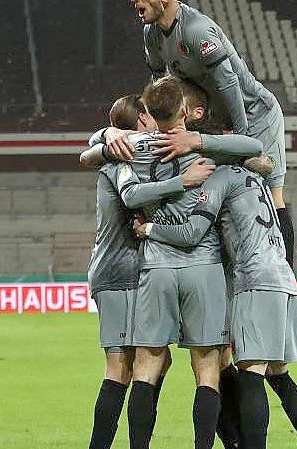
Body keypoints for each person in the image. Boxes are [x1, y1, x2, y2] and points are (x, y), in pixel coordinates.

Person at [133, 154, 297, 449]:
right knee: (279, 375)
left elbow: (192, 232)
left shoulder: (220, 177)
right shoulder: (255, 177)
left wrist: (150, 229)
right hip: (282, 274)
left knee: (251, 376)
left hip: (254, 278)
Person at [120, 0, 295, 268]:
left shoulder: (197, 29)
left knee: (272, 196)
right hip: (212, 118)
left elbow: (228, 82)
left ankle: (286, 276)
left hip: (253, 113)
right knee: (214, 192)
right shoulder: (152, 33)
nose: (134, 1)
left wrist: (241, 139)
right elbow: (159, 86)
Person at [82, 94, 212, 449]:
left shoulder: (129, 148)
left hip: (132, 271)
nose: (157, 120)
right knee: (120, 369)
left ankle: (140, 441)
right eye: (150, 116)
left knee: (157, 361)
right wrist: (182, 182)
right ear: (140, 120)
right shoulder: (122, 155)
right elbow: (130, 197)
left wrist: (102, 135)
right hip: (118, 270)